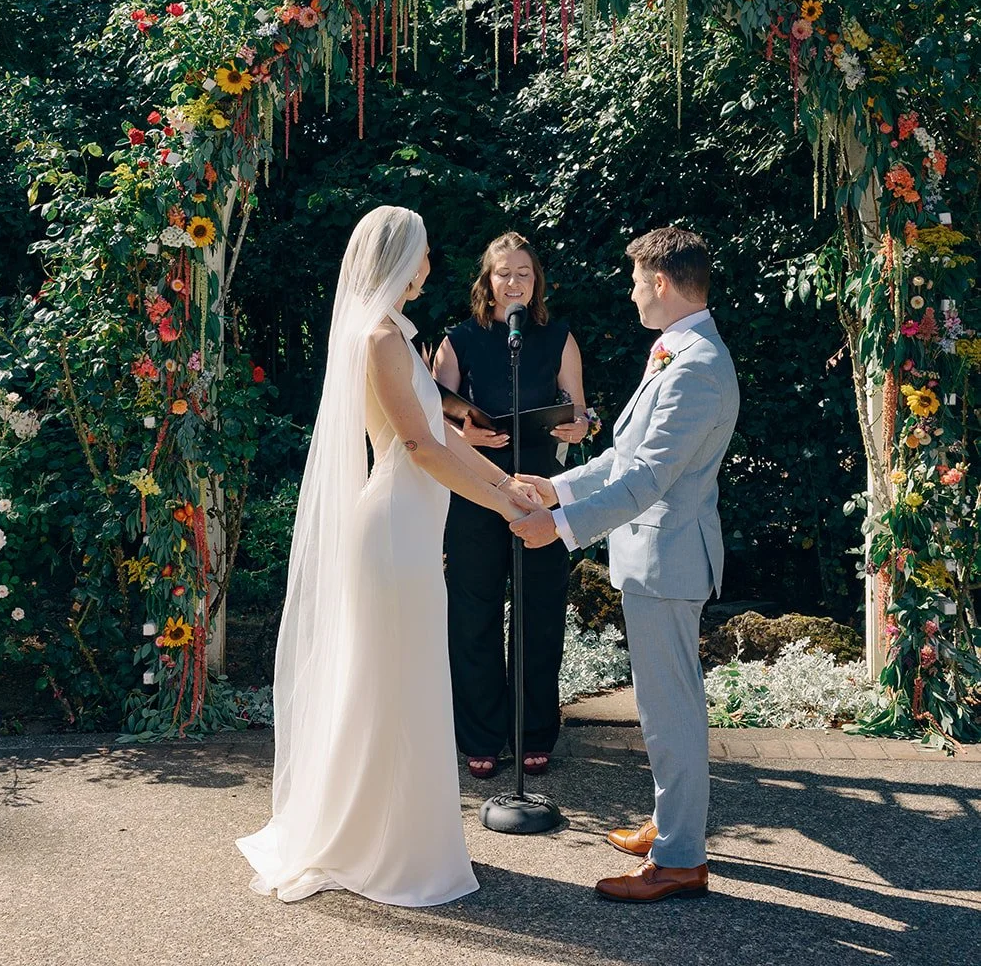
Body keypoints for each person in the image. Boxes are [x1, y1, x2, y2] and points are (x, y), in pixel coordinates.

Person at [237, 206, 539, 907]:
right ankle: (381, 846)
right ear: (405, 262)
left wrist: (507, 482)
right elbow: (419, 448)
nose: (431, 265)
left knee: (399, 683)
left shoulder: (397, 338)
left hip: (410, 528)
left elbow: (443, 433)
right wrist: (501, 507)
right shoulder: (378, 339)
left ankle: (389, 836)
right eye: (425, 253)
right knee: (395, 685)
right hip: (395, 531)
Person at [511, 226, 739, 905]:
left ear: (661, 284)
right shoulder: (676, 350)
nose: (631, 290)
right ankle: (671, 828)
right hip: (653, 557)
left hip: (668, 561)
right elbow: (623, 456)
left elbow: (649, 478)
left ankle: (678, 861)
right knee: (659, 707)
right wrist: (559, 486)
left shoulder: (694, 365)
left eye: (636, 280)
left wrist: (556, 528)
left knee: (670, 714)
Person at [432, 231, 590, 780]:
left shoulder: (560, 337)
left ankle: (533, 733)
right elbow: (434, 415)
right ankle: (479, 734)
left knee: (539, 613)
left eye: (525, 271)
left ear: (536, 280)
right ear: (488, 281)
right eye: (505, 272)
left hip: (540, 491)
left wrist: (580, 422)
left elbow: (580, 409)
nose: (515, 281)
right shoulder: (457, 339)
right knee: (473, 613)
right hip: (475, 490)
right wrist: (466, 435)